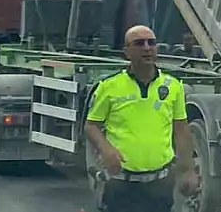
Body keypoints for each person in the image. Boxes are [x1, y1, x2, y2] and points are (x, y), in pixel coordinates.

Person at [85, 25, 199, 211]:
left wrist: (188, 170)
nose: (147, 48)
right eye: (139, 43)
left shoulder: (173, 86)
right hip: (121, 184)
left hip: (159, 184)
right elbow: (91, 126)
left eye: (151, 43)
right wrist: (106, 149)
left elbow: (181, 130)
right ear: (127, 52)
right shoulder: (109, 86)